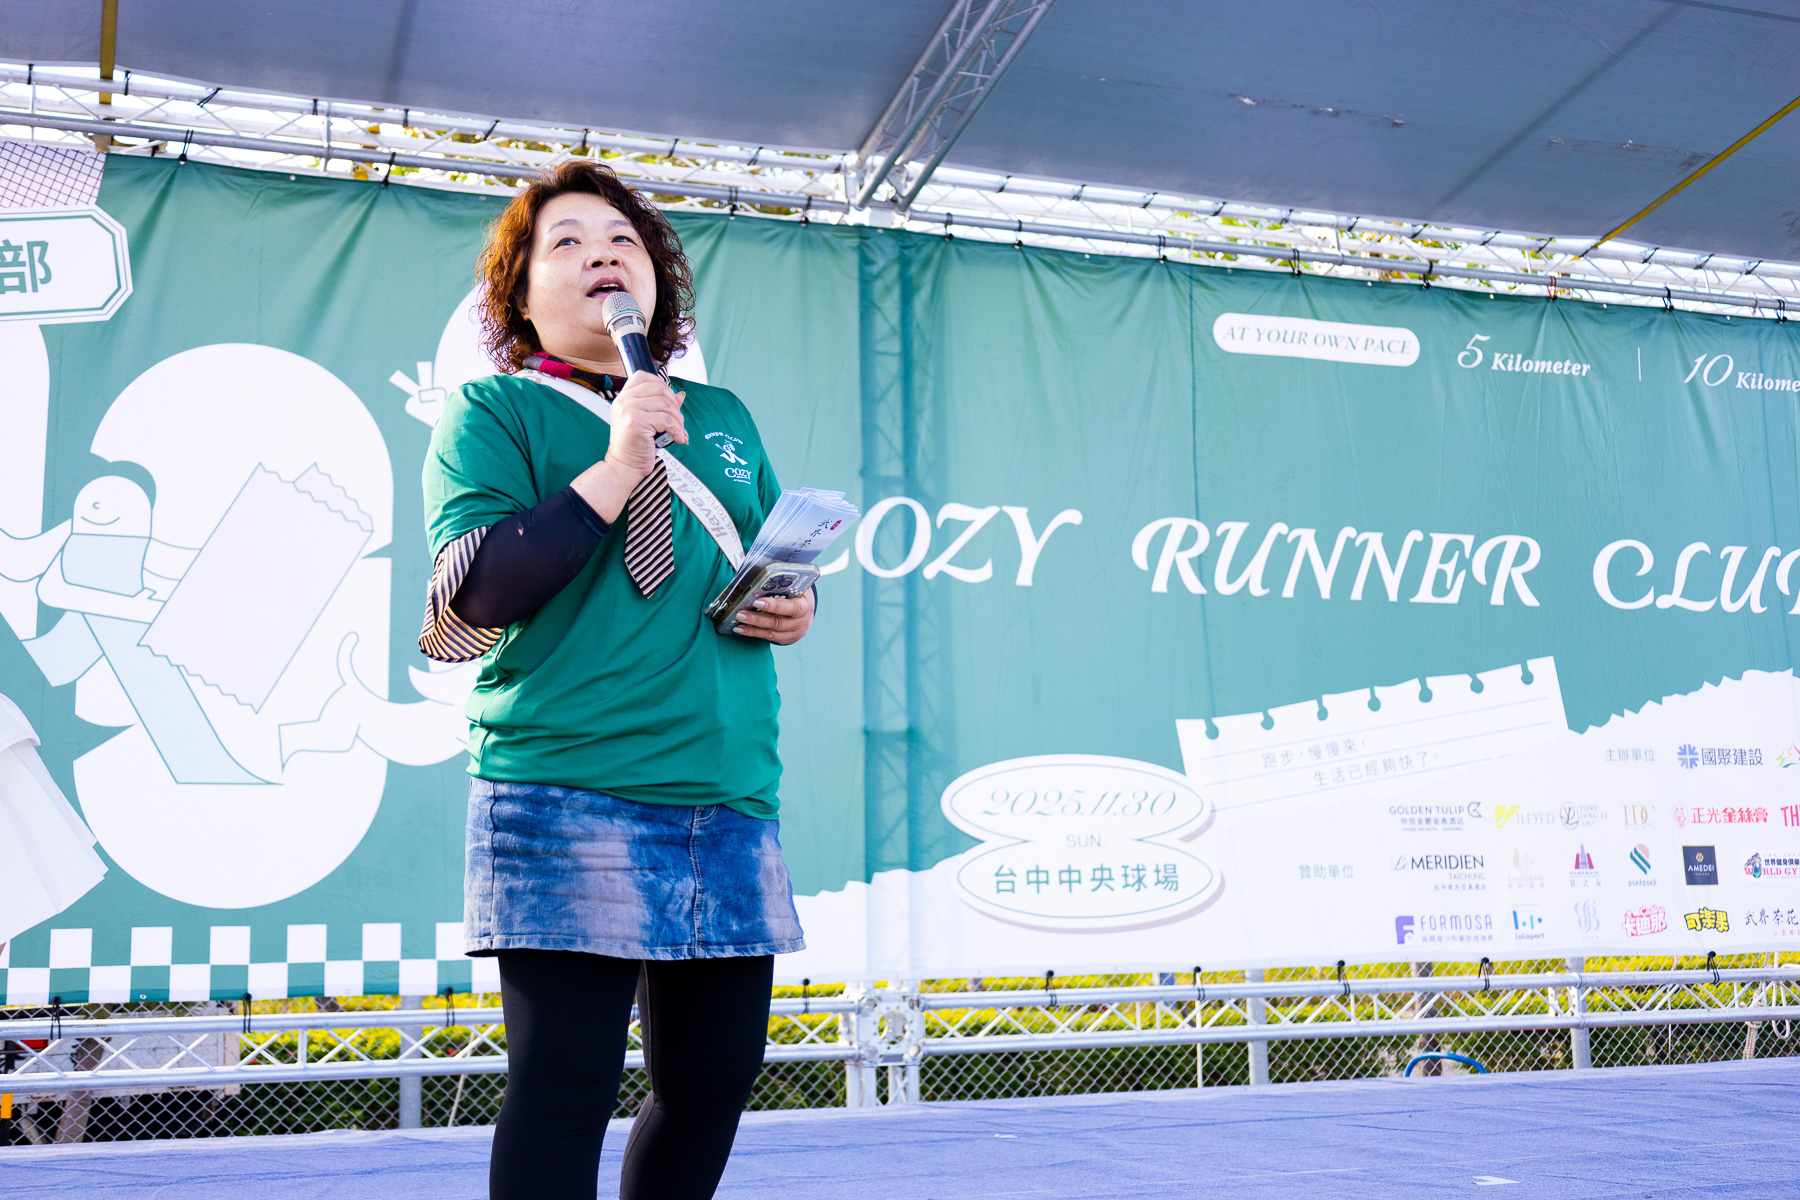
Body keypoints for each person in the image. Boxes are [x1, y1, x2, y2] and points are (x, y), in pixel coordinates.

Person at [418, 160, 815, 1200]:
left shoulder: (720, 414)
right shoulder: (494, 411)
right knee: (567, 1082)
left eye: (623, 241)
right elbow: (480, 592)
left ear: (656, 283)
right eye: (567, 241)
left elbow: (762, 561)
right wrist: (617, 460)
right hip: (564, 783)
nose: (601, 254)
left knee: (712, 1082)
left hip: (727, 789)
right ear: (519, 297)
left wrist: (792, 605)